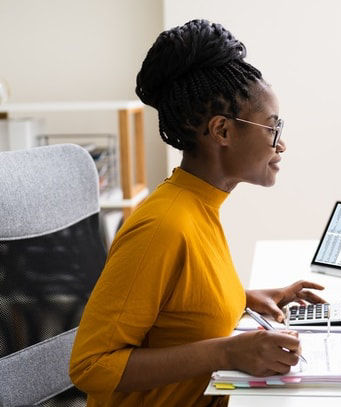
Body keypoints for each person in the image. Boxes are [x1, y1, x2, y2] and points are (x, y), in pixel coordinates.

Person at [69, 19, 325, 406]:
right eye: (273, 128)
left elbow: (181, 308)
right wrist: (227, 352)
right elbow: (90, 366)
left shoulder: (200, 204)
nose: (281, 144)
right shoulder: (164, 226)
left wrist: (247, 298)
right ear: (222, 131)